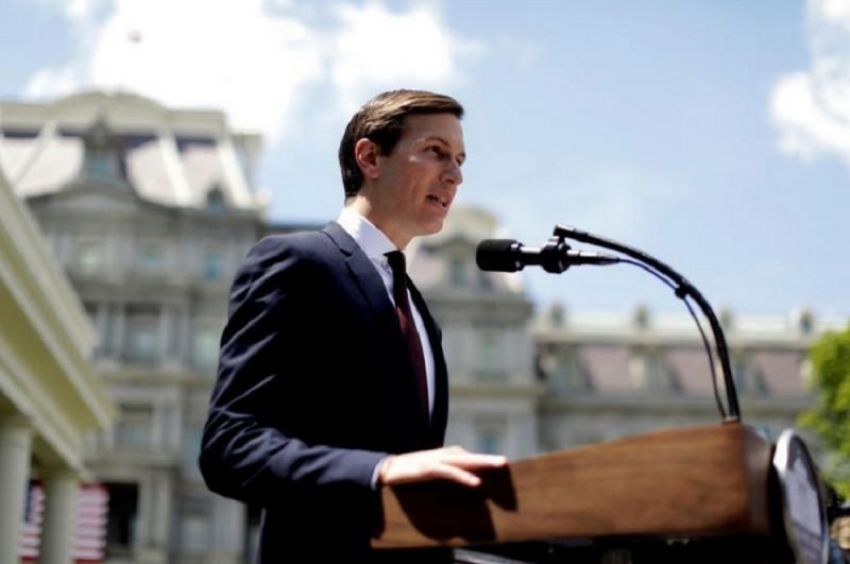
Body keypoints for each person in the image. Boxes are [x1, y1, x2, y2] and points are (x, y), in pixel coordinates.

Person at [199, 89, 507, 562]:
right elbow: (230, 446)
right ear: (370, 157)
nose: (456, 175)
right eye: (435, 152)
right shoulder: (295, 262)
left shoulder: (419, 311)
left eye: (460, 160)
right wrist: (380, 472)